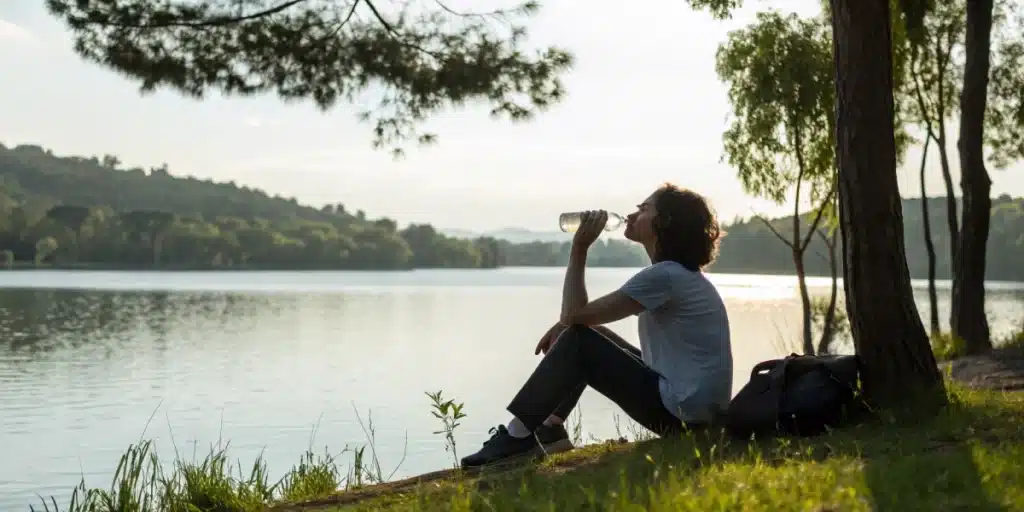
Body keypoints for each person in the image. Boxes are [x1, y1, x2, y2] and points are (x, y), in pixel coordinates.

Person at [460, 183, 733, 468]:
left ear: (664, 222)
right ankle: (551, 429)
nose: (631, 215)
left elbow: (573, 314)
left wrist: (579, 248)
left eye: (643, 209)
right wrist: (568, 326)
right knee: (585, 335)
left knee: (580, 342)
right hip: (696, 414)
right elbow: (578, 319)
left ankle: (518, 437)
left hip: (683, 417)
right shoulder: (678, 275)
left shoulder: (665, 276)